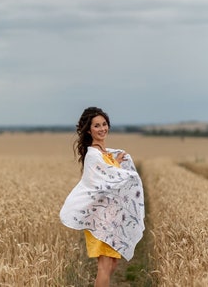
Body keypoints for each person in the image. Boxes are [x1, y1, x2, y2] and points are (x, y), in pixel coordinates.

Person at [59, 107, 145, 287]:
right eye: (96, 125)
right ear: (89, 130)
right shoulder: (93, 156)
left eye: (104, 124)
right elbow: (101, 183)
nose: (102, 128)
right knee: (105, 266)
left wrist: (117, 163)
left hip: (111, 219)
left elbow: (110, 177)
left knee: (112, 264)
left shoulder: (104, 154)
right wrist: (129, 175)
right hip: (100, 220)